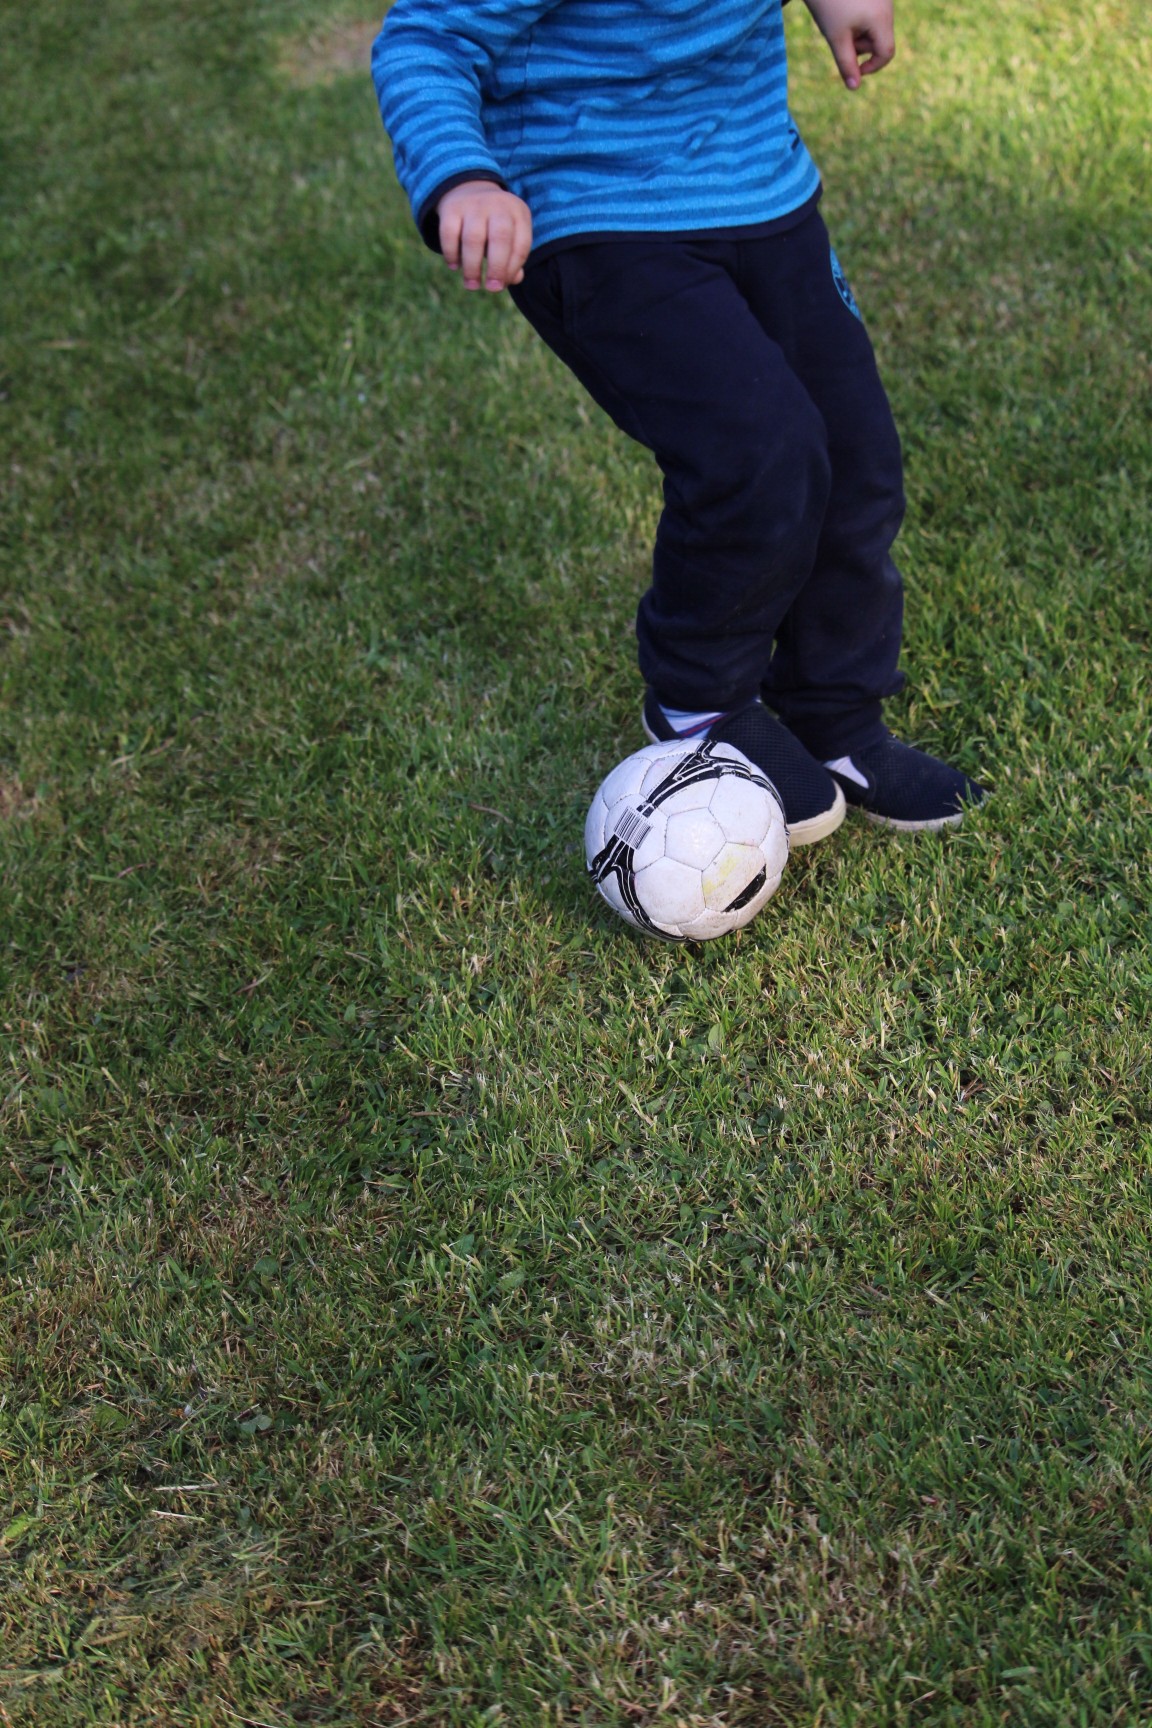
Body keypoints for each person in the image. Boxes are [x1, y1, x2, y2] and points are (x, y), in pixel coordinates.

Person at [372, 0, 987, 841]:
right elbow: (427, 39)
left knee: (854, 460)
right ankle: (701, 698)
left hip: (757, 181)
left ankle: (833, 718)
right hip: (598, 208)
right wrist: (463, 177)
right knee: (757, 449)